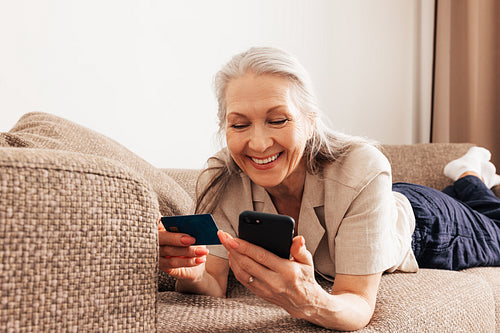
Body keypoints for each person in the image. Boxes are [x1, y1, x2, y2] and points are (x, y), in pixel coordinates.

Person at [158, 47, 500, 331]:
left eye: (278, 120)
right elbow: (212, 283)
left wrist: (310, 299)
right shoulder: (221, 178)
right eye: (239, 124)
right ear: (225, 126)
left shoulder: (361, 166)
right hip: (372, 200)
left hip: (425, 225)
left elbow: (357, 305)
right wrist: (190, 273)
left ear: (310, 121)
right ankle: (468, 179)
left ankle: (469, 175)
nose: (259, 143)